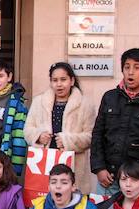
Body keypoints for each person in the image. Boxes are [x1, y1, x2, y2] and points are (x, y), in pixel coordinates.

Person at [90, 48, 139, 197]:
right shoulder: (109, 97)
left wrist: (136, 174)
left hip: (137, 181)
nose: (130, 72)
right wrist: (99, 168)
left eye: (136, 67)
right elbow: (98, 135)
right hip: (108, 178)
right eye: (127, 67)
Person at [24, 62, 97, 193]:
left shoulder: (85, 104)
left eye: (63, 80)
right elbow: (27, 129)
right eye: (55, 80)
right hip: (44, 164)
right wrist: (38, 136)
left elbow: (91, 136)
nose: (59, 84)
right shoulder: (39, 102)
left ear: (72, 80)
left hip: (74, 165)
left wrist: (67, 140)